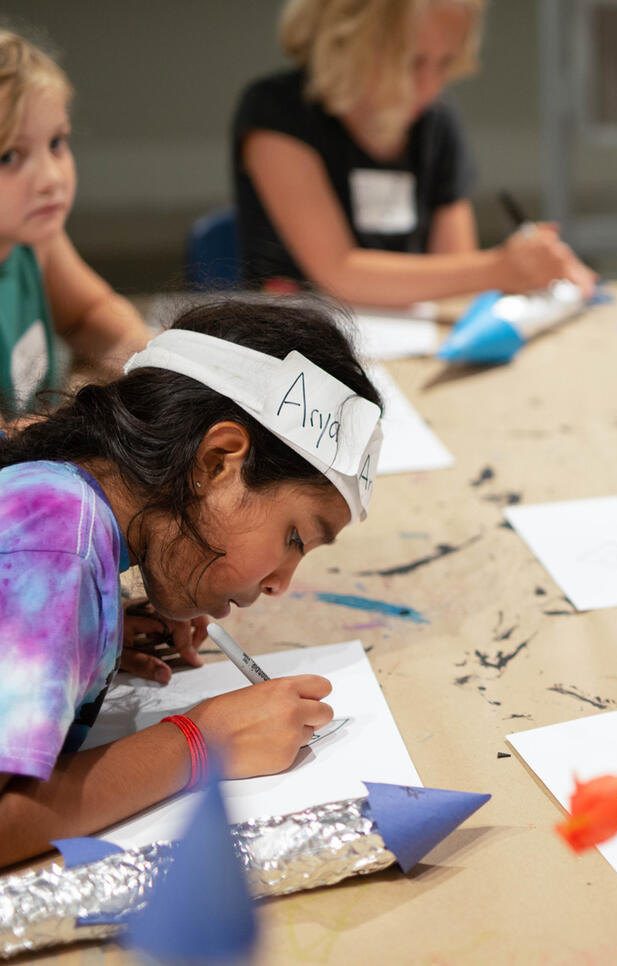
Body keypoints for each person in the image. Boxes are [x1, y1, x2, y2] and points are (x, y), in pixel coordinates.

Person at [0, 297, 385, 867]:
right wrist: (203, 740)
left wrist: (85, 632)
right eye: (296, 538)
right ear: (216, 461)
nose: (281, 583)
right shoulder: (54, 540)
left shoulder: (65, 515)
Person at [233, 0, 596, 304]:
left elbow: (457, 269)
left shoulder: (436, 121)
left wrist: (522, 265)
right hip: (299, 352)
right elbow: (337, 273)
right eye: (411, 62)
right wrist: (500, 268)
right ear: (346, 41)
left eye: (445, 63)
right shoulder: (278, 111)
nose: (431, 87)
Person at [0, 30, 151, 422]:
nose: (51, 177)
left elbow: (89, 315)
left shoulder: (34, 240)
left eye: (56, 143)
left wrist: (154, 359)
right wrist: (83, 403)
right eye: (9, 157)